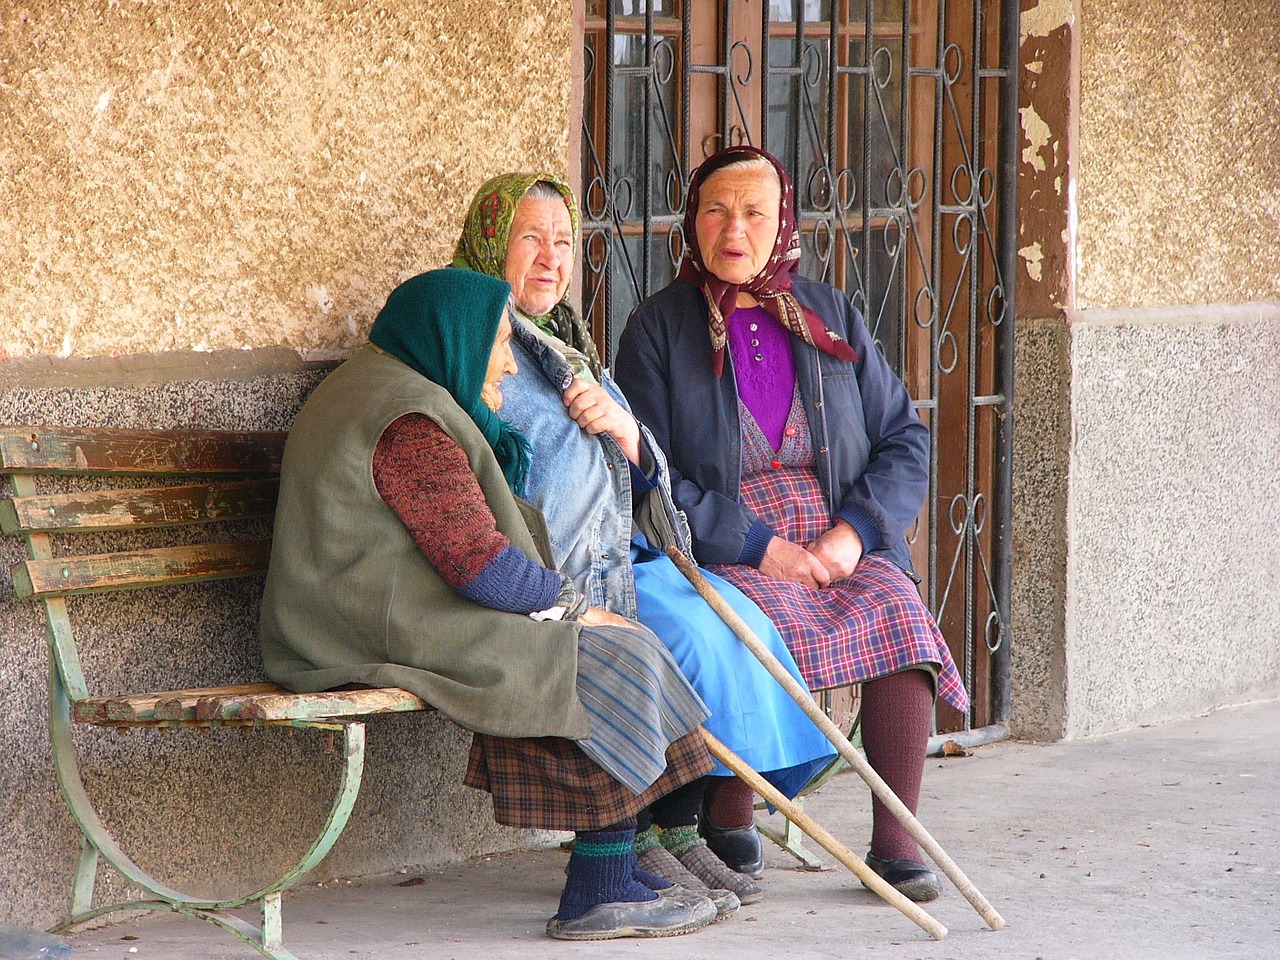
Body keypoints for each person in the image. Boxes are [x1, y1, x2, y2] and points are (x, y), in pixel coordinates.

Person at [259, 268, 722, 941]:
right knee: (592, 652)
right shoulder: (405, 418)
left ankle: (617, 866)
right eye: (498, 343)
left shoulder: (391, 387)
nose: (507, 363)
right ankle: (599, 888)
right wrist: (577, 610)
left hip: (374, 610)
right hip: (363, 629)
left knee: (617, 643)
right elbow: (480, 567)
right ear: (453, 338)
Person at [452, 173, 837, 903]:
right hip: (563, 574)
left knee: (733, 622)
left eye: (563, 242)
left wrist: (624, 430)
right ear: (491, 245)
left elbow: (646, 466)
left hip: (627, 552)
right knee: (678, 642)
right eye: (530, 238)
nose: (550, 258)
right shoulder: (476, 347)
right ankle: (647, 837)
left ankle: (678, 832)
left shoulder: (571, 344)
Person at [614, 146, 971, 904]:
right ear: (692, 222)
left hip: (838, 534)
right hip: (729, 538)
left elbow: (904, 438)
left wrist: (854, 534)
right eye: (716, 210)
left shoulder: (829, 313)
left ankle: (896, 842)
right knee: (753, 626)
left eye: (753, 212)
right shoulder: (657, 328)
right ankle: (732, 811)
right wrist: (757, 546)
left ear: (783, 226)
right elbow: (649, 472)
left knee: (898, 614)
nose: (733, 229)